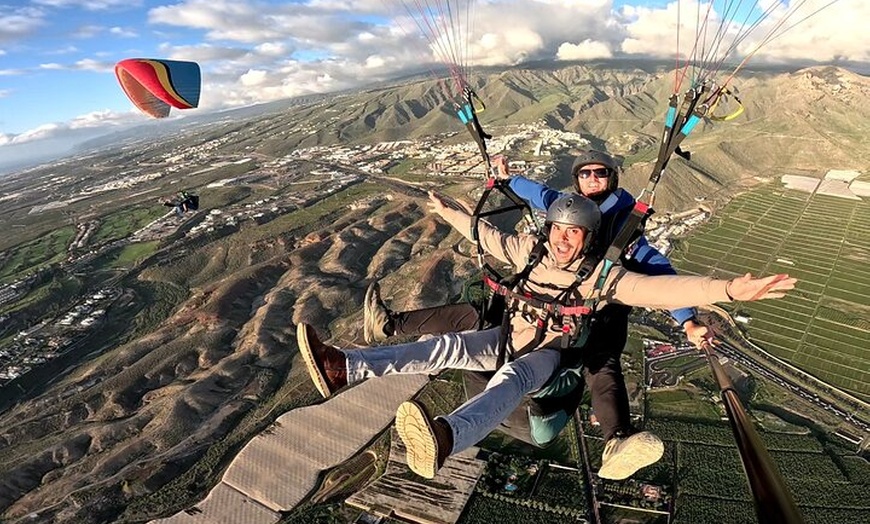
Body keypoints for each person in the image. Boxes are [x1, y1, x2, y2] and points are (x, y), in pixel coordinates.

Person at [297, 191, 795, 481]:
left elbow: (660, 288)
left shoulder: (603, 277)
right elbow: (483, 234)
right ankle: (346, 367)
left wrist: (728, 289)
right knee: (448, 347)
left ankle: (448, 436)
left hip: (549, 359)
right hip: (508, 335)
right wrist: (445, 207)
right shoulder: (527, 252)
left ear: (586, 239)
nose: (562, 238)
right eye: (557, 228)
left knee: (511, 379)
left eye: (573, 233)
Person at [363, 150, 713, 459]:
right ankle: (389, 324)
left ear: (612, 177)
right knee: (481, 311)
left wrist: (688, 321)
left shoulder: (624, 225)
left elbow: (660, 274)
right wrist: (508, 178)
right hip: (548, 302)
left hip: (602, 307)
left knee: (601, 361)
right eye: (585, 173)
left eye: (600, 172)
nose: (592, 179)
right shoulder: (570, 209)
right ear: (577, 180)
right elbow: (539, 194)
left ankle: (617, 438)